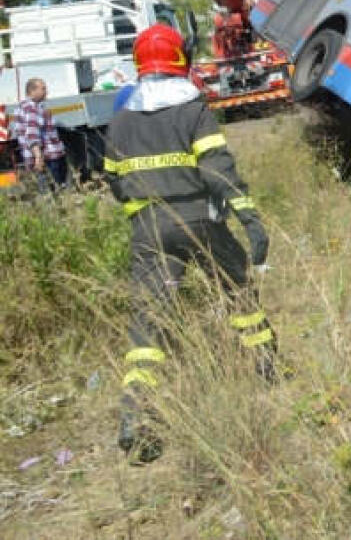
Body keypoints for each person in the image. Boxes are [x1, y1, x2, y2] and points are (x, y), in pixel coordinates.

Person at [103, 24, 276, 463]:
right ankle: (267, 366)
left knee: (149, 321)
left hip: (148, 229)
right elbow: (218, 168)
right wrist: (250, 219)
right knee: (237, 290)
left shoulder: (120, 120)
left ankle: (136, 412)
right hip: (200, 220)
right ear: (180, 59)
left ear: (140, 64)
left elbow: (114, 181)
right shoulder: (193, 110)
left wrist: (143, 215)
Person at [12, 77, 69, 191]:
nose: (46, 91)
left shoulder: (24, 107)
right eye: (43, 89)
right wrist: (38, 157)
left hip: (41, 157)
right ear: (32, 92)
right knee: (52, 190)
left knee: (46, 190)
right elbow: (32, 135)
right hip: (47, 158)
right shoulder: (32, 108)